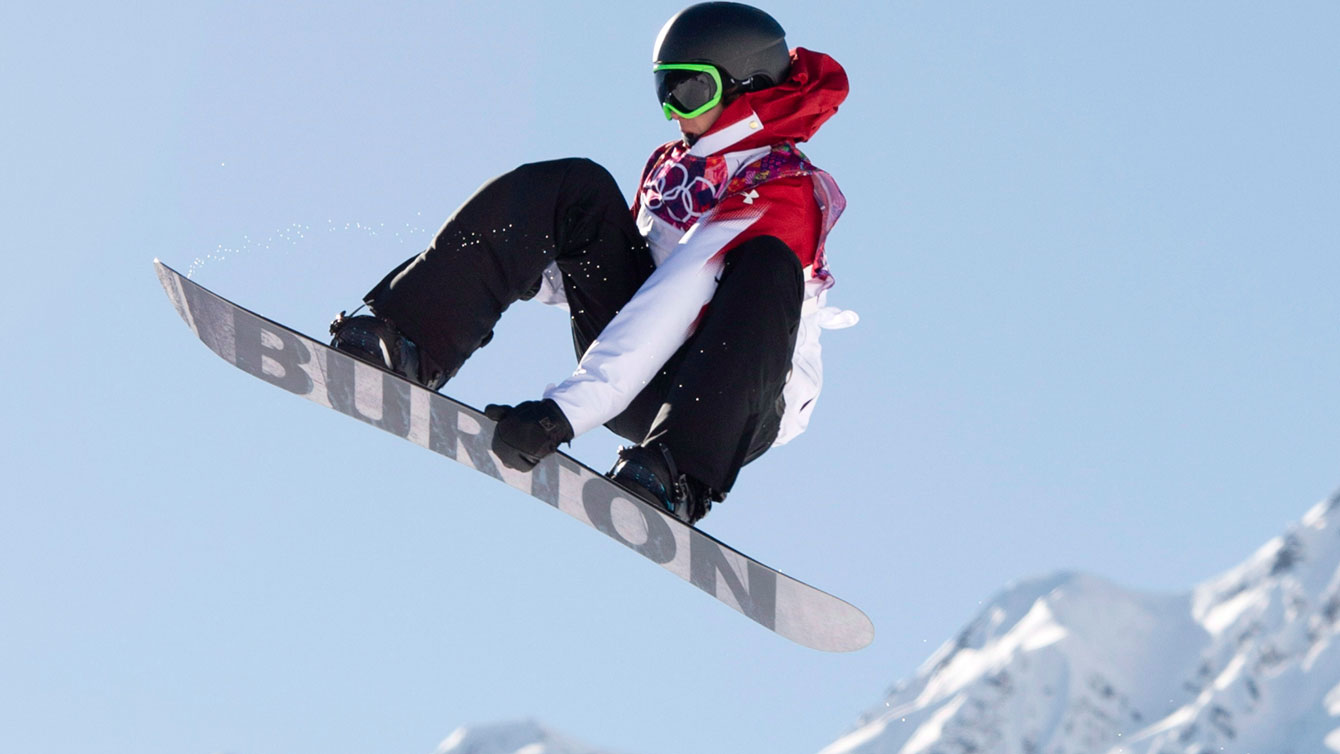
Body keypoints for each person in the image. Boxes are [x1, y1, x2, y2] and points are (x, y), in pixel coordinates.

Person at [330, 1, 854, 525]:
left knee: (766, 264)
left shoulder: (783, 189)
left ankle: (676, 474)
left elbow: (675, 297)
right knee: (578, 188)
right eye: (664, 89)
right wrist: (519, 266)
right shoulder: (676, 166)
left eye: (691, 89)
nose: (673, 109)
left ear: (750, 87)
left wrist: (565, 413)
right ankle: (408, 339)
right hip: (638, 375)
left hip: (727, 404)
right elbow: (625, 276)